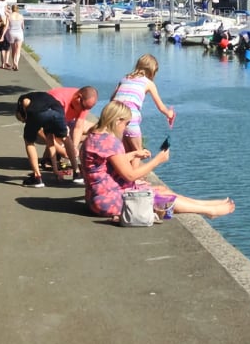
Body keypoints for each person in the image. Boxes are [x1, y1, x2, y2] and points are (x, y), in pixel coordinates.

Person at [81, 100, 235, 220]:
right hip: (107, 201)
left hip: (98, 197)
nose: (126, 128)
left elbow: (104, 164)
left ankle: (205, 204)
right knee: (159, 197)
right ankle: (209, 210)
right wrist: (157, 160)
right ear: (117, 121)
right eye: (126, 123)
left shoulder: (94, 136)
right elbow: (130, 175)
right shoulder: (110, 142)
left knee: (161, 190)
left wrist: (133, 155)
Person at [111, 54, 175, 152]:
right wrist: (170, 114)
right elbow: (161, 107)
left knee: (124, 151)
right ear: (152, 71)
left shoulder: (125, 78)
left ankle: (124, 167)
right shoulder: (149, 83)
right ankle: (133, 168)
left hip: (115, 116)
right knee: (138, 152)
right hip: (131, 117)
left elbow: (112, 99)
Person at [44, 85, 98, 179]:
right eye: (84, 107)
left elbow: (78, 127)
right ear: (78, 97)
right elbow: (44, 128)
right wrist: (63, 151)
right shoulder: (58, 100)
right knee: (57, 132)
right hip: (43, 125)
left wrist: (74, 148)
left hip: (64, 122)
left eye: (88, 109)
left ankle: (62, 151)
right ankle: (53, 154)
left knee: (97, 131)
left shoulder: (84, 102)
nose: (84, 110)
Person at [14, 91, 68, 187]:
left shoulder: (22, 101)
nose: (24, 122)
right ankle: (69, 172)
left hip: (40, 113)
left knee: (28, 141)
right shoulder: (39, 99)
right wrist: (56, 170)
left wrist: (30, 120)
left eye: (23, 120)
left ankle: (37, 177)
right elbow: (50, 143)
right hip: (57, 112)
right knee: (54, 140)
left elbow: (27, 104)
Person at [5, 4, 26, 71]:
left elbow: (7, 26)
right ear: (17, 9)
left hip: (11, 33)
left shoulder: (9, 16)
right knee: (18, 50)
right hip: (19, 33)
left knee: (13, 49)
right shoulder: (21, 16)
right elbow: (23, 27)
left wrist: (3, 34)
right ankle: (16, 63)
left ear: (12, 9)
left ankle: (14, 63)